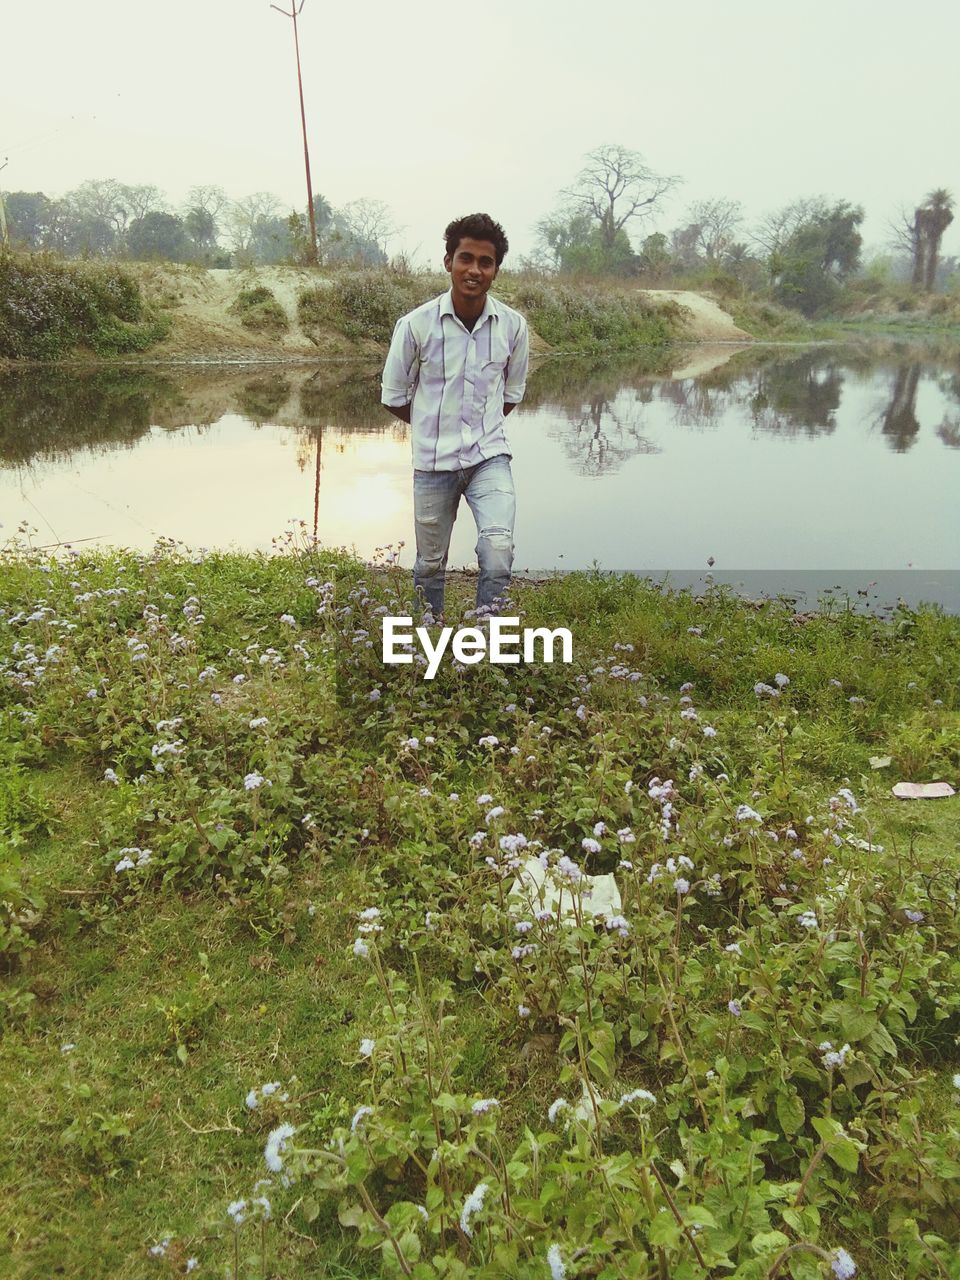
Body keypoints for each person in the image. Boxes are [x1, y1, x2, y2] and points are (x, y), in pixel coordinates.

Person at [381, 212, 529, 621]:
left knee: (498, 546)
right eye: (466, 258)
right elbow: (393, 395)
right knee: (430, 562)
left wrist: (478, 426)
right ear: (448, 262)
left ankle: (486, 634)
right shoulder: (414, 325)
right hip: (432, 464)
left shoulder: (513, 327)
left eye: (486, 262)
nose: (474, 270)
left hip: (489, 457)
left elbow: (512, 393)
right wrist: (434, 422)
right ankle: (429, 635)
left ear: (496, 269)